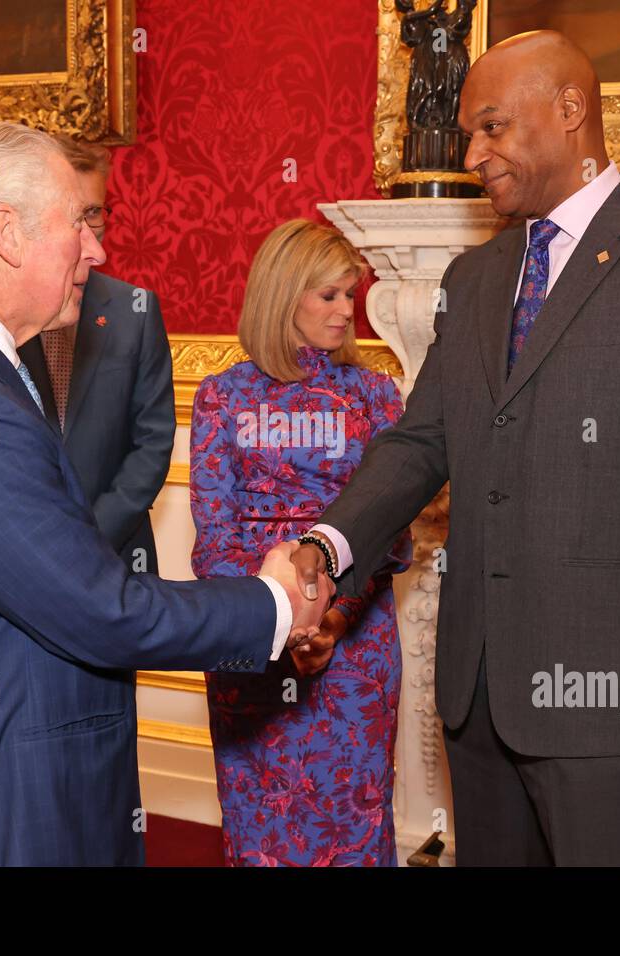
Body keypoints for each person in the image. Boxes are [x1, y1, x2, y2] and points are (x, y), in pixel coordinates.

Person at [291, 30, 620, 866]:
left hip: (612, 709)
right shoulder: (474, 278)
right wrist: (326, 545)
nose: (474, 153)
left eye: (490, 127)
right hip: (478, 696)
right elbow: (419, 443)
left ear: (570, 111)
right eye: (467, 136)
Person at [0, 121, 330, 866]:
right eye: (78, 222)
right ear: (7, 233)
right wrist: (272, 603)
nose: (96, 250)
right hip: (2, 813)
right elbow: (101, 608)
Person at [191, 219, 412, 866]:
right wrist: (282, 620)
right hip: (250, 634)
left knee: (354, 816)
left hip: (356, 640)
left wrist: (334, 618)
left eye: (352, 294)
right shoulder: (222, 397)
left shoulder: (374, 395)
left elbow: (390, 533)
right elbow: (215, 539)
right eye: (330, 296)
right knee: (262, 821)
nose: (348, 311)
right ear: (284, 294)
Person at [16, 138, 173, 576]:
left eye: (96, 212)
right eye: (75, 214)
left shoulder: (135, 310)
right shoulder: (10, 312)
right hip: (26, 553)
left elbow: (153, 441)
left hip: (119, 553)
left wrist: (92, 535)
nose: (89, 228)